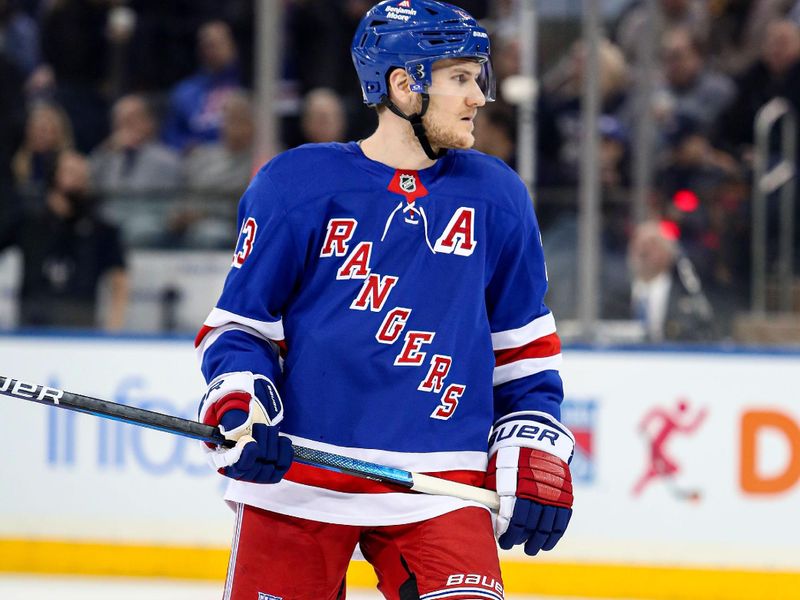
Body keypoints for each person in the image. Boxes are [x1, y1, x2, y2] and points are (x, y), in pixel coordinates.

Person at [195, 2, 574, 599]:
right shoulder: (296, 185)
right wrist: (242, 402)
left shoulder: (498, 196)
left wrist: (531, 441)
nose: (478, 96)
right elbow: (242, 327)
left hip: (439, 483)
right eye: (460, 78)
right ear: (404, 85)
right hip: (300, 474)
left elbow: (523, 352)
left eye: (478, 78)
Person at [0, 150, 128, 330]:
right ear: (54, 175)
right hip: (32, 323)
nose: (79, 180)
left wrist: (114, 328)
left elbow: (119, 279)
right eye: (71, 172)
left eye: (83, 175)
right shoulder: (28, 222)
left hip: (80, 321)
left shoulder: (102, 228)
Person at [161, 20, 243, 152]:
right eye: (207, 45)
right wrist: (185, 145)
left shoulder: (247, 85)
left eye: (218, 44)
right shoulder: (185, 91)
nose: (212, 50)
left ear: (233, 46)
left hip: (239, 156)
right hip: (196, 162)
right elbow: (171, 136)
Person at [89, 94, 182, 194]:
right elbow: (89, 180)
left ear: (150, 122)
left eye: (131, 120)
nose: (124, 127)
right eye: (119, 121)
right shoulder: (106, 155)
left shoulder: (167, 159)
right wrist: (106, 149)